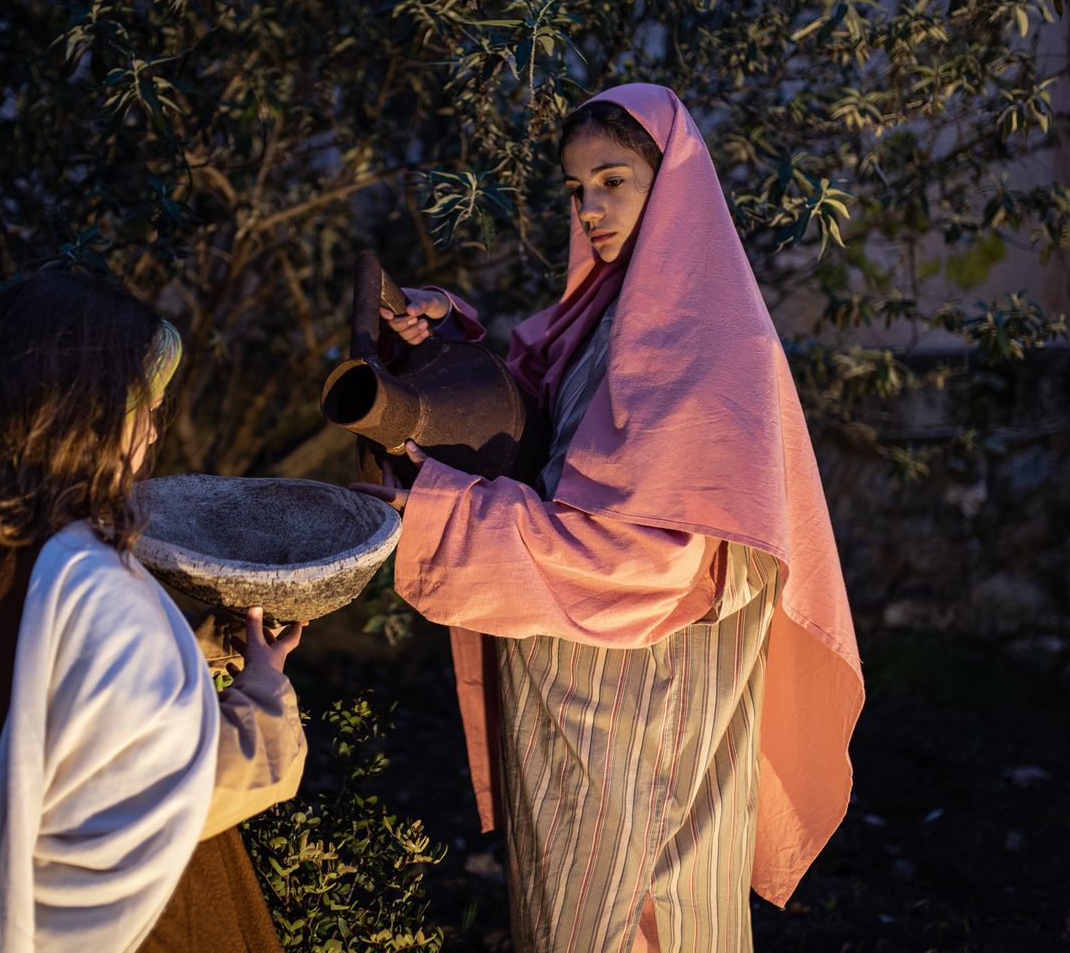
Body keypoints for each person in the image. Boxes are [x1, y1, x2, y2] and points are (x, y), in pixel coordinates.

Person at [354, 84, 865, 951]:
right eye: (575, 188)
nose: (589, 209)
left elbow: (653, 561)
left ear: (671, 184)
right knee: (574, 905)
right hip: (579, 679)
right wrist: (443, 351)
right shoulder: (618, 312)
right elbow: (548, 422)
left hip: (644, 698)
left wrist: (443, 511)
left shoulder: (716, 346)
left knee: (640, 912)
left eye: (613, 181)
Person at [0, 269, 306, 952]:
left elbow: (52, 717)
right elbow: (164, 798)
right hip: (149, 921)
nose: (153, 430)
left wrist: (187, 659)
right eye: (144, 407)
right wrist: (265, 698)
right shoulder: (93, 591)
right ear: (90, 415)